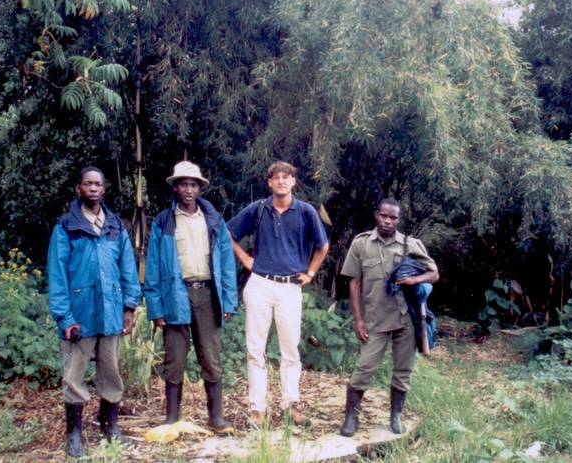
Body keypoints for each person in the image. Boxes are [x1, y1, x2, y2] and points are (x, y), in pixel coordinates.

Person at [48, 166, 141, 458]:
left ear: (104, 189)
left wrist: (129, 305)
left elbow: (128, 267)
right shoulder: (66, 226)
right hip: (79, 314)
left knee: (111, 373)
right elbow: (57, 274)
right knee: (74, 375)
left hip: (112, 312)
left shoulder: (114, 225)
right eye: (88, 184)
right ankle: (73, 434)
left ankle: (109, 427)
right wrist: (64, 316)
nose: (93, 188)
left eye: (98, 184)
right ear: (79, 188)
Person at [228, 161, 330, 427]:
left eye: (287, 177)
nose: (282, 182)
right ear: (269, 182)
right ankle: (257, 409)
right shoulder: (258, 209)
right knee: (255, 349)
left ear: (294, 182)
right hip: (260, 283)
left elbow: (323, 245)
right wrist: (245, 260)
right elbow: (226, 233)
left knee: (290, 349)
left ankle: (291, 405)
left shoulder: (306, 211)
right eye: (277, 177)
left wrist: (310, 273)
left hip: (290, 288)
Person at [144, 161, 238, 434]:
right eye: (183, 184)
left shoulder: (214, 220)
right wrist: (155, 306)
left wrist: (229, 300)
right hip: (175, 295)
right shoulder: (163, 221)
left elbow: (227, 264)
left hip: (208, 295)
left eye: (193, 184)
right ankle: (172, 419)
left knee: (211, 356)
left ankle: (216, 418)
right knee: (174, 358)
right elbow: (152, 268)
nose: (188, 189)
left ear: (200, 188)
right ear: (175, 187)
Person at [338, 198, 438, 437]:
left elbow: (434, 273)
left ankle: (396, 415)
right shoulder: (361, 244)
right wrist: (358, 318)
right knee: (364, 367)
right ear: (376, 215)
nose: (387, 220)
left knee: (404, 369)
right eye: (384, 215)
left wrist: (416, 280)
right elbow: (354, 281)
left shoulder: (409, 244)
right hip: (374, 319)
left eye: (393, 217)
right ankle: (351, 416)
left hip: (405, 319)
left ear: (398, 220)